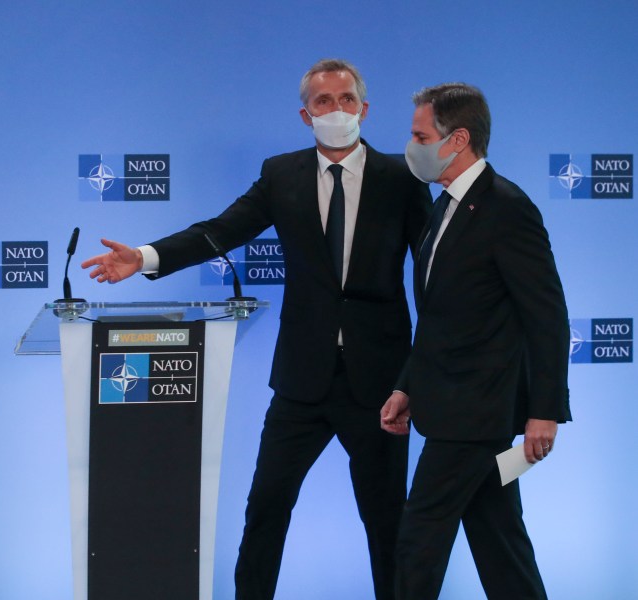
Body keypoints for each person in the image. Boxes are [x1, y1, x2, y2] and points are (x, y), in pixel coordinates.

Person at [82, 59, 431, 600]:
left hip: (380, 384)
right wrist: (146, 257)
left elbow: (433, 277)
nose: (335, 110)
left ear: (364, 108)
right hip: (300, 382)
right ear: (304, 114)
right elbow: (219, 231)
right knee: (265, 511)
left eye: (345, 99)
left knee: (388, 524)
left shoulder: (404, 178)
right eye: (322, 101)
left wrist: (415, 377)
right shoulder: (280, 175)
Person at [380, 83, 572, 600]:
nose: (411, 144)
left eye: (420, 134)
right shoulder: (443, 207)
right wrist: (407, 386)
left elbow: (547, 315)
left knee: (418, 542)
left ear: (457, 138)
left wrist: (545, 410)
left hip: (475, 415)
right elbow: (441, 319)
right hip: (447, 405)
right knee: (499, 542)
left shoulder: (508, 208)